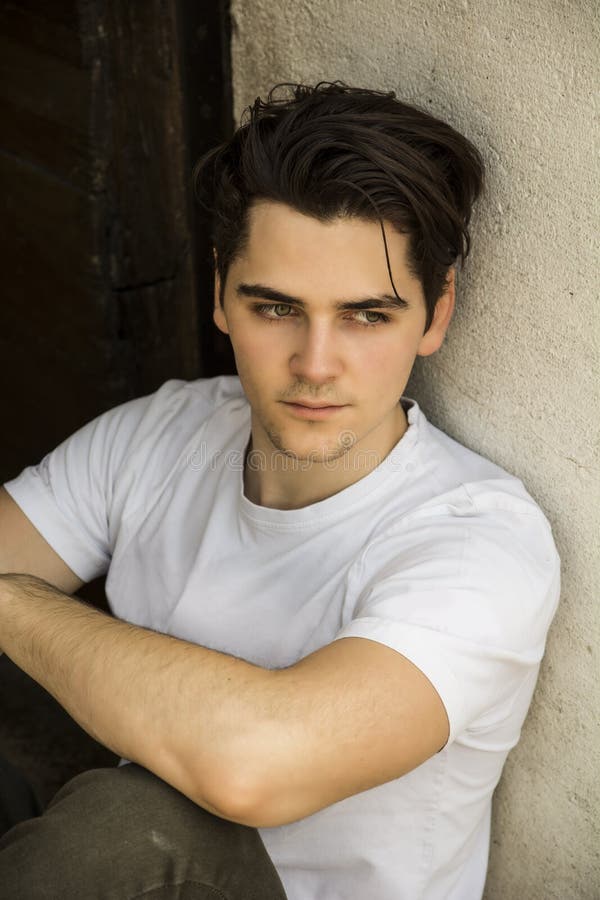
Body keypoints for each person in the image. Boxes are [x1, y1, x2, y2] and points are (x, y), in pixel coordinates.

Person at [0, 81, 560, 899]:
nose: (315, 364)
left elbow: (250, 770)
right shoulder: (165, 435)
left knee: (124, 827)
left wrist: (11, 606)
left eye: (368, 316)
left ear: (436, 315)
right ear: (222, 291)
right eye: (275, 308)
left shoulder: (479, 541)